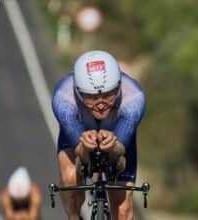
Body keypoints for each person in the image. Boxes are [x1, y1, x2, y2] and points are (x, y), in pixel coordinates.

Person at [52, 50, 146, 220]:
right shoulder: (63, 98)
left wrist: (114, 147)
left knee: (123, 209)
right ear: (78, 91)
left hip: (118, 132)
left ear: (119, 86)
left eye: (109, 94)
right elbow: (80, 150)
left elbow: (119, 148)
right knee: (71, 178)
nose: (101, 105)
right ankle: (74, 216)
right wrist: (83, 149)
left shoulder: (134, 98)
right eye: (91, 97)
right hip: (79, 129)